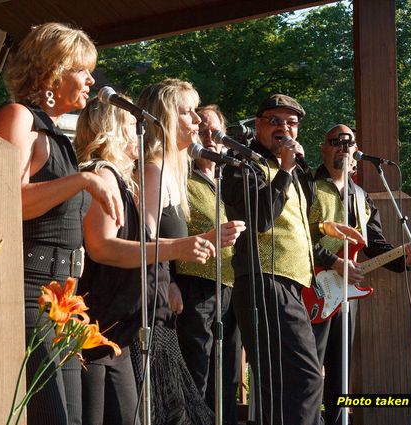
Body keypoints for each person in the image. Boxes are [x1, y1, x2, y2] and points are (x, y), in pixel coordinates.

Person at [0, 22, 121, 425]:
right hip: (28, 293)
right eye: (82, 69)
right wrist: (83, 179)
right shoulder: (18, 117)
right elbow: (6, 203)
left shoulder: (60, 137)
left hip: (63, 299)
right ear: (53, 71)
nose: (90, 80)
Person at [74, 97, 220, 425]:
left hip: (115, 330)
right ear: (112, 131)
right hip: (100, 326)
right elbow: (103, 248)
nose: (140, 132)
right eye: (132, 126)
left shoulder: (120, 179)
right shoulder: (102, 173)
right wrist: (178, 249)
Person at [222, 94, 365, 425]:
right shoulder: (243, 164)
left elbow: (295, 233)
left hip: (292, 285)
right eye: (275, 121)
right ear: (257, 125)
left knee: (280, 385)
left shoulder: (295, 173)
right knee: (307, 378)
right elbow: (261, 218)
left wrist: (327, 242)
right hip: (264, 281)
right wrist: (285, 169)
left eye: (292, 123)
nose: (284, 129)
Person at [135, 78, 245, 425]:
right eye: (188, 111)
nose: (197, 120)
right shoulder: (153, 170)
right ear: (166, 118)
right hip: (156, 303)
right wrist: (166, 282)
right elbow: (143, 242)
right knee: (173, 401)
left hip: (172, 300)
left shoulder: (172, 171)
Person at [309, 124, 411, 425]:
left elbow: (375, 245)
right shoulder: (307, 185)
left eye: (348, 143)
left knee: (340, 372)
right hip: (310, 289)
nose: (342, 148)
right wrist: (333, 262)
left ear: (356, 151)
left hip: (345, 293)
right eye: (335, 141)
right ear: (323, 148)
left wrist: (406, 259)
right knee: (308, 370)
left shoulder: (361, 196)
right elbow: (298, 237)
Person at [174, 105, 242, 425]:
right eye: (202, 131)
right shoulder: (181, 179)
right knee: (196, 370)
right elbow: (169, 230)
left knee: (227, 376)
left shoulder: (233, 182)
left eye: (215, 132)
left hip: (232, 288)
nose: (209, 137)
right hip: (194, 286)